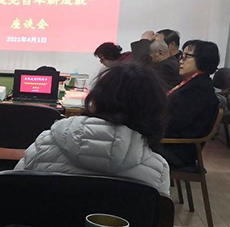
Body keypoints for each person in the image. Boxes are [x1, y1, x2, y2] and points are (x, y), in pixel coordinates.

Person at [15, 62, 170, 194]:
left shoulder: (43, 145)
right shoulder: (157, 171)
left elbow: (12, 191)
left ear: (94, 101)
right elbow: (158, 218)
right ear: (154, 111)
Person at [159, 40, 220, 168]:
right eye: (182, 56)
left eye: (187, 56)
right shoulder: (192, 83)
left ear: (203, 59)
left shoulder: (199, 90)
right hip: (169, 143)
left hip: (177, 150)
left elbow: (176, 123)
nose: (181, 61)